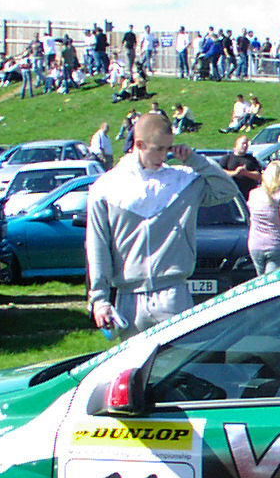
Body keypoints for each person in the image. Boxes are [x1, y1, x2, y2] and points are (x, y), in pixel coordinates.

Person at [85, 112, 239, 338]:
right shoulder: (106, 187)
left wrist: (194, 159)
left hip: (174, 292)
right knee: (135, 370)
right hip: (129, 297)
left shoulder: (182, 180)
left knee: (180, 367)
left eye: (169, 149)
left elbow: (227, 189)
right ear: (139, 144)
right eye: (158, 149)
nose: (164, 156)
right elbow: (97, 245)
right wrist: (99, 299)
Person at [247, 160, 280, 275]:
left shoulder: (253, 194)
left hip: (255, 244)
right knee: (272, 280)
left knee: (260, 279)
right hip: (275, 244)